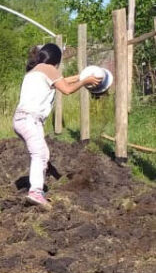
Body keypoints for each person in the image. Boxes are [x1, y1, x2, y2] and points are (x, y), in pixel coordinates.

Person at [13, 43, 102, 208]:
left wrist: (82, 76)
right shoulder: (50, 69)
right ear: (57, 60)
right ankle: (36, 192)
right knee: (39, 154)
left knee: (43, 154)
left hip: (21, 119)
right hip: (30, 120)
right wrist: (85, 81)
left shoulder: (35, 70)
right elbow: (66, 90)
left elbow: (62, 81)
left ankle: (38, 186)